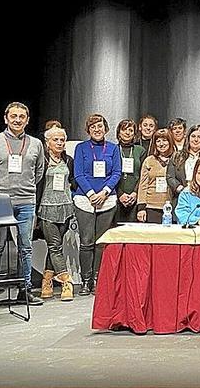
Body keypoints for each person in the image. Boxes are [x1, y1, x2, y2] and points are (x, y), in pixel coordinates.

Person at [0, 102, 46, 311]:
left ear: (27, 119)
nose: (17, 120)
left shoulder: (35, 144)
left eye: (22, 117)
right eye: (13, 116)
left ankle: (25, 290)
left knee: (25, 248)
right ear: (6, 118)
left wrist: (24, 188)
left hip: (26, 201)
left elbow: (39, 172)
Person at [72, 113, 122, 296]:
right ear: (88, 130)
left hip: (107, 200)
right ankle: (86, 281)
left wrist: (104, 192)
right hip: (85, 199)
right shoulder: (81, 148)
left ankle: (98, 279)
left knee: (101, 243)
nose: (97, 129)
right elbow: (78, 174)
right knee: (86, 242)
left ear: (106, 128)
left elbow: (117, 172)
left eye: (100, 126)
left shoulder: (113, 149)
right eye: (93, 126)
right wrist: (92, 194)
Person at [36, 126, 77, 301]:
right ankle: (66, 281)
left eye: (62, 140)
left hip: (66, 208)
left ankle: (47, 281)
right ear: (47, 142)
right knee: (54, 246)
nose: (59, 143)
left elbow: (73, 181)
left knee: (56, 247)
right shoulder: (42, 160)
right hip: (47, 208)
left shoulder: (68, 160)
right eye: (55, 140)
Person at [137, 128, 175, 223]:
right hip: (151, 206)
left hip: (172, 206)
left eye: (164, 140)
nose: (161, 144)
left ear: (170, 141)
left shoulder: (177, 159)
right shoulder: (149, 160)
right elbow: (143, 185)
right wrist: (141, 208)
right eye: (158, 141)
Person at [115, 119, 145, 223]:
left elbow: (143, 175)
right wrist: (120, 194)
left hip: (134, 197)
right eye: (124, 130)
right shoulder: (112, 149)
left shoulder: (140, 150)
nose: (127, 133)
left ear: (134, 134)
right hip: (116, 197)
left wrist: (135, 193)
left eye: (130, 130)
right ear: (119, 132)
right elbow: (109, 174)